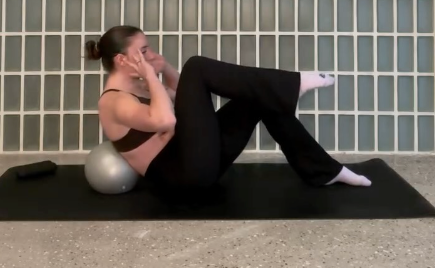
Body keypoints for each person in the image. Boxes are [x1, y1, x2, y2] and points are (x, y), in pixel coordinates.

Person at [85, 25, 371, 189]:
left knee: (256, 98)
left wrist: (165, 68)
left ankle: (324, 170)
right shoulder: (114, 101)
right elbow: (166, 121)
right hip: (182, 177)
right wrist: (151, 75)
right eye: (145, 51)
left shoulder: (136, 86)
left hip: (195, 160)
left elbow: (182, 95)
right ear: (123, 61)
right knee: (197, 65)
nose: (152, 54)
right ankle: (294, 83)